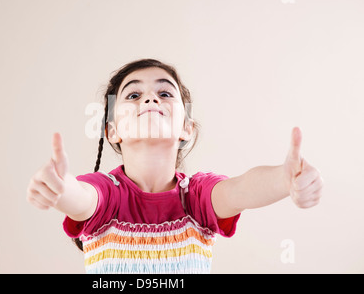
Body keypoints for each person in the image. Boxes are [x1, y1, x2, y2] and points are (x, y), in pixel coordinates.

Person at [26, 59, 323, 273]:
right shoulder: (107, 194)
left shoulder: (196, 197)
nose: (151, 98)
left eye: (165, 93)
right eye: (133, 95)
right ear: (112, 131)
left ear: (186, 127)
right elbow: (80, 197)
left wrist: (284, 180)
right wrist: (60, 188)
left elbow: (241, 189)